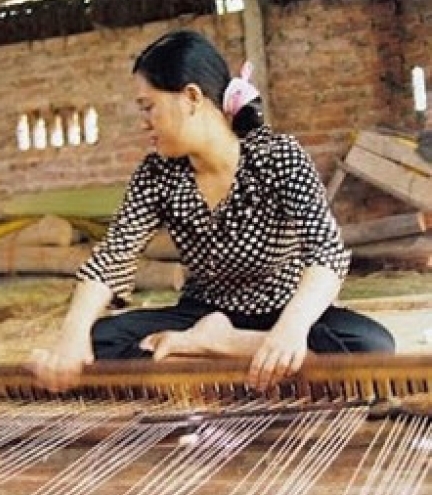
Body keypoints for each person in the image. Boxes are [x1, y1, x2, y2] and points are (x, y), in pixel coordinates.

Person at [31, 29, 394, 393]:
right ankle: (232, 358)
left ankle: (214, 349)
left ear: (191, 97)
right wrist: (72, 338)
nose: (144, 123)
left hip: (280, 314)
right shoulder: (157, 173)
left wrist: (291, 330)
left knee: (372, 348)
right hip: (200, 313)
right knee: (98, 340)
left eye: (148, 107)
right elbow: (113, 257)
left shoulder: (277, 156)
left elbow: (327, 253)